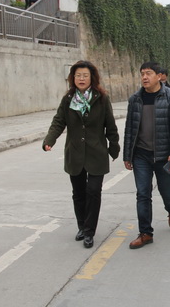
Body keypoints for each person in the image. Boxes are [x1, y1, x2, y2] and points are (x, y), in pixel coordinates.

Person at [42, 60, 120, 249]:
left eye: (85, 75)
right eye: (78, 75)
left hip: (96, 153)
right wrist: (49, 140)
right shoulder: (68, 99)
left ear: (92, 78)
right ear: (73, 78)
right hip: (75, 153)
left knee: (93, 191)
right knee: (78, 193)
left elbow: (110, 125)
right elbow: (58, 121)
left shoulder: (102, 99)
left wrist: (114, 146)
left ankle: (89, 231)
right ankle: (82, 227)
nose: (82, 79)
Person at [123, 61, 170, 249]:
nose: (144, 77)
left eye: (148, 73)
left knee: (168, 193)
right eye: (142, 73)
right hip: (141, 155)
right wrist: (127, 155)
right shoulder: (135, 99)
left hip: (164, 156)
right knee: (143, 193)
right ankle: (145, 233)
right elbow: (129, 128)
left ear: (159, 76)